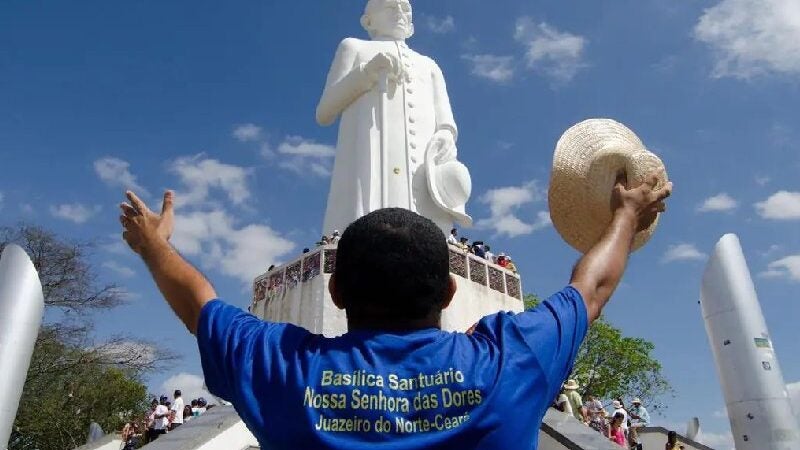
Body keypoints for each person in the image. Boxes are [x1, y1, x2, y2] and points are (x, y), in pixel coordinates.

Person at [118, 169, 671, 448]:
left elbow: (200, 305)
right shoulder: (510, 360)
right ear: (450, 293)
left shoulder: (283, 369)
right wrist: (624, 215)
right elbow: (590, 289)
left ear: (335, 295)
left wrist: (153, 244)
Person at [317, 0, 467, 236]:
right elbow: (324, 112)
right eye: (390, 7)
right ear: (368, 21)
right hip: (369, 161)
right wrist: (366, 73)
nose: (400, 13)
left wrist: (446, 135)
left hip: (423, 168)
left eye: (405, 9)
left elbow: (445, 120)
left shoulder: (429, 66)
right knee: (367, 225)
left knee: (426, 232)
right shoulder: (354, 47)